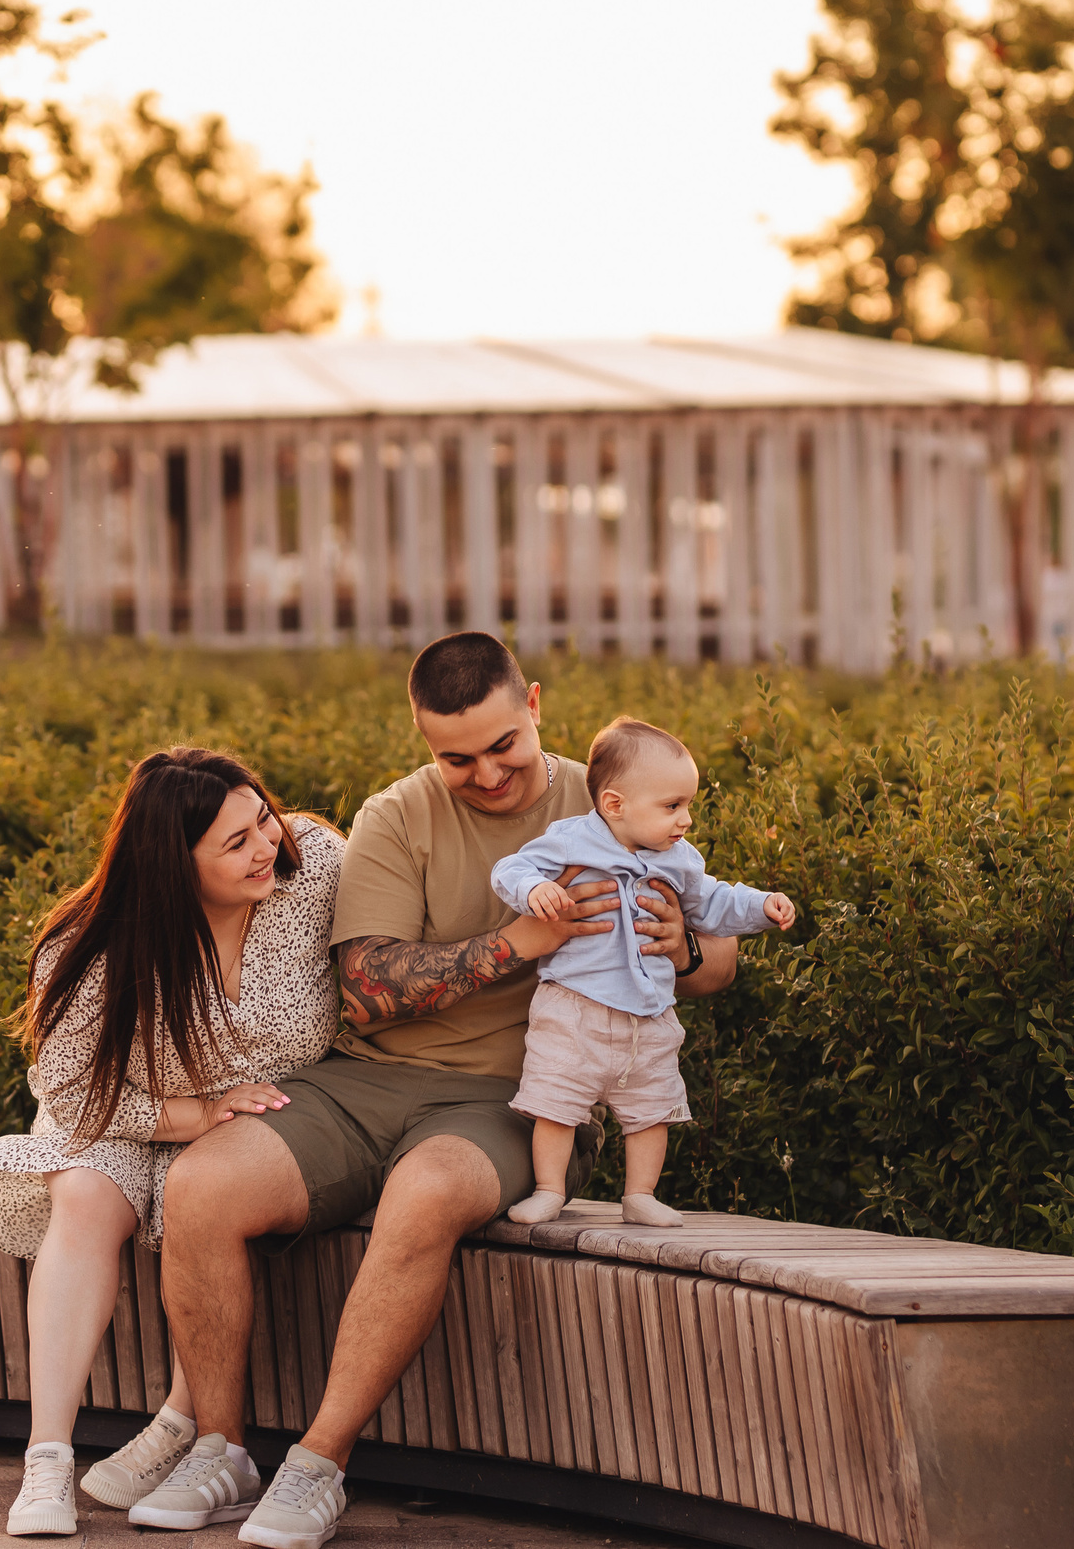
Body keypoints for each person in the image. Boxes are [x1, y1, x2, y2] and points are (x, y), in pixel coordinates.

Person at [139, 633, 741, 1549]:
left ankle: (317, 1464)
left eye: (504, 746)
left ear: (533, 705)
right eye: (457, 757)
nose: (488, 774)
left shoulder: (613, 793)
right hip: (361, 1080)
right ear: (424, 738)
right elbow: (366, 988)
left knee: (424, 1192)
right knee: (201, 1184)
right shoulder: (398, 814)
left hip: (515, 1097)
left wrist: (681, 946)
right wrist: (515, 944)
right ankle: (221, 1451)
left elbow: (717, 960)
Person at [0, 749, 345, 1537]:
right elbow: (71, 1093)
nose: (266, 844)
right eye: (235, 842)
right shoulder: (93, 942)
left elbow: (402, 915)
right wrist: (197, 1113)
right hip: (130, 1113)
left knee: (215, 1192)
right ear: (172, 864)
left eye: (262, 818)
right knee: (86, 1197)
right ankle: (47, 1458)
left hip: (262, 1119)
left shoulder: (313, 865)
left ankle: (178, 1424)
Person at [492, 716, 794, 1229]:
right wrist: (534, 889)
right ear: (615, 805)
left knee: (652, 1108)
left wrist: (761, 906)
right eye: (672, 806)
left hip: (648, 1013)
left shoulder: (678, 859)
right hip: (574, 1006)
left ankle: (640, 1195)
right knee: (556, 1103)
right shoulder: (570, 841)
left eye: (688, 805)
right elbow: (511, 869)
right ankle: (548, 1190)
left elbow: (712, 901)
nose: (686, 820)